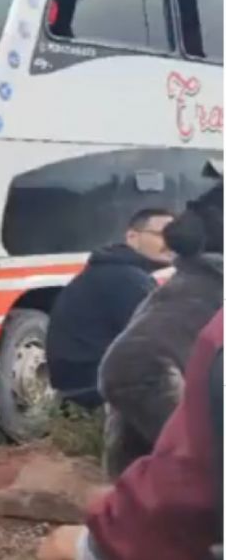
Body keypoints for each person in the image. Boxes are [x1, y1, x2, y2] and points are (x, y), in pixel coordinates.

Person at [38, 309, 224, 560]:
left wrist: (99, 542)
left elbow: (183, 491)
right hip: (103, 387)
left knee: (58, 549)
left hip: (80, 387)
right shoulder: (138, 284)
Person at [98, 182, 223, 478]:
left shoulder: (187, 280)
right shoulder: (209, 282)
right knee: (202, 471)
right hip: (153, 373)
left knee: (139, 476)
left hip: (132, 369)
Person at [45, 208, 175, 410]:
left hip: (77, 389)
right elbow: (159, 344)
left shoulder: (112, 270)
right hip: (96, 393)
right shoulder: (128, 280)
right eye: (162, 235)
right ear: (133, 237)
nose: (170, 243)